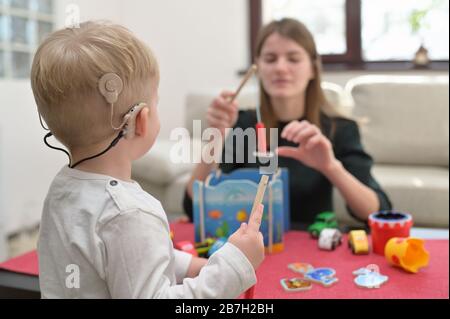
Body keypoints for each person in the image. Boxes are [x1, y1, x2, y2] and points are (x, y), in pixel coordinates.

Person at [32, 21, 264, 299]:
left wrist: (189, 265)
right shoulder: (129, 213)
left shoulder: (62, 189)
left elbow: (128, 258)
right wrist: (233, 266)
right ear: (141, 120)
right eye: (156, 101)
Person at [184, 18, 392, 228]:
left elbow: (378, 212)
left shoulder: (340, 128)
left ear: (313, 67)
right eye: (270, 59)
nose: (281, 68)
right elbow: (194, 205)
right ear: (258, 67)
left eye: (293, 59)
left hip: (313, 248)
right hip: (254, 248)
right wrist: (216, 136)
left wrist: (330, 167)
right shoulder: (244, 124)